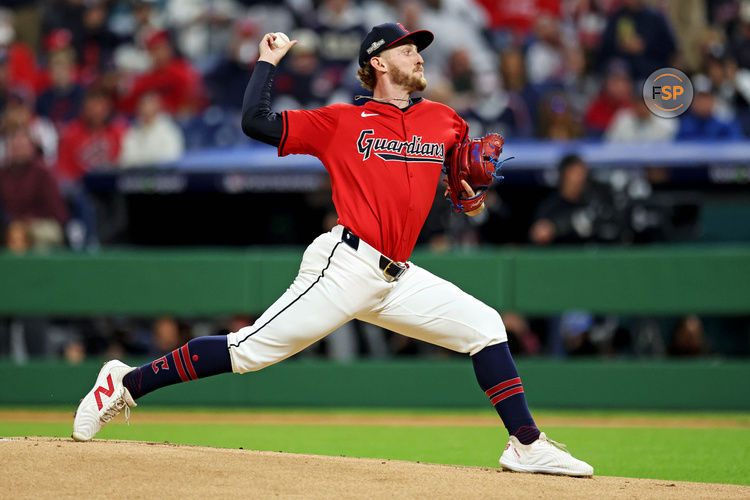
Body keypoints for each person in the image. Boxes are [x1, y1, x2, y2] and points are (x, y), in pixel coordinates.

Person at [72, 23, 593, 477]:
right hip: (344, 264)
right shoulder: (341, 121)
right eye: (408, 48)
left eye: (419, 47)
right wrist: (267, 62)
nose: (419, 55)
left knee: (486, 327)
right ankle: (122, 384)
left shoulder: (445, 119)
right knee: (246, 352)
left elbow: (465, 189)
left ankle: (526, 446)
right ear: (378, 61)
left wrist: (471, 191)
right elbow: (255, 122)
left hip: (398, 277)